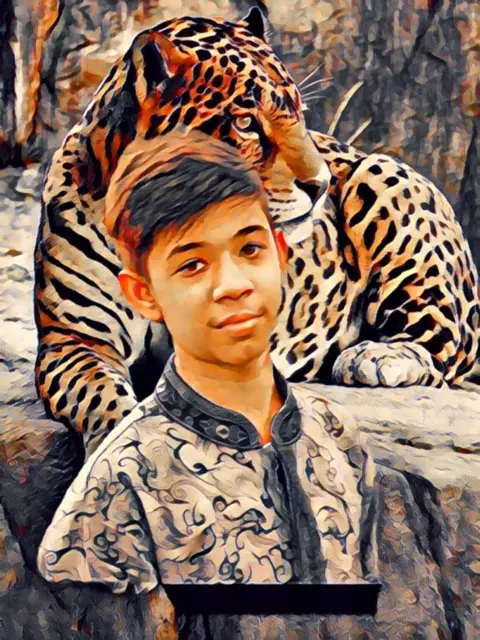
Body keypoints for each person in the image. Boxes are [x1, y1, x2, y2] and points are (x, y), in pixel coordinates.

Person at [36, 130, 442, 639]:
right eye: (193, 265)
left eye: (250, 249)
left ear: (280, 254)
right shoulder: (119, 481)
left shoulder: (337, 435)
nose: (233, 285)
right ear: (143, 294)